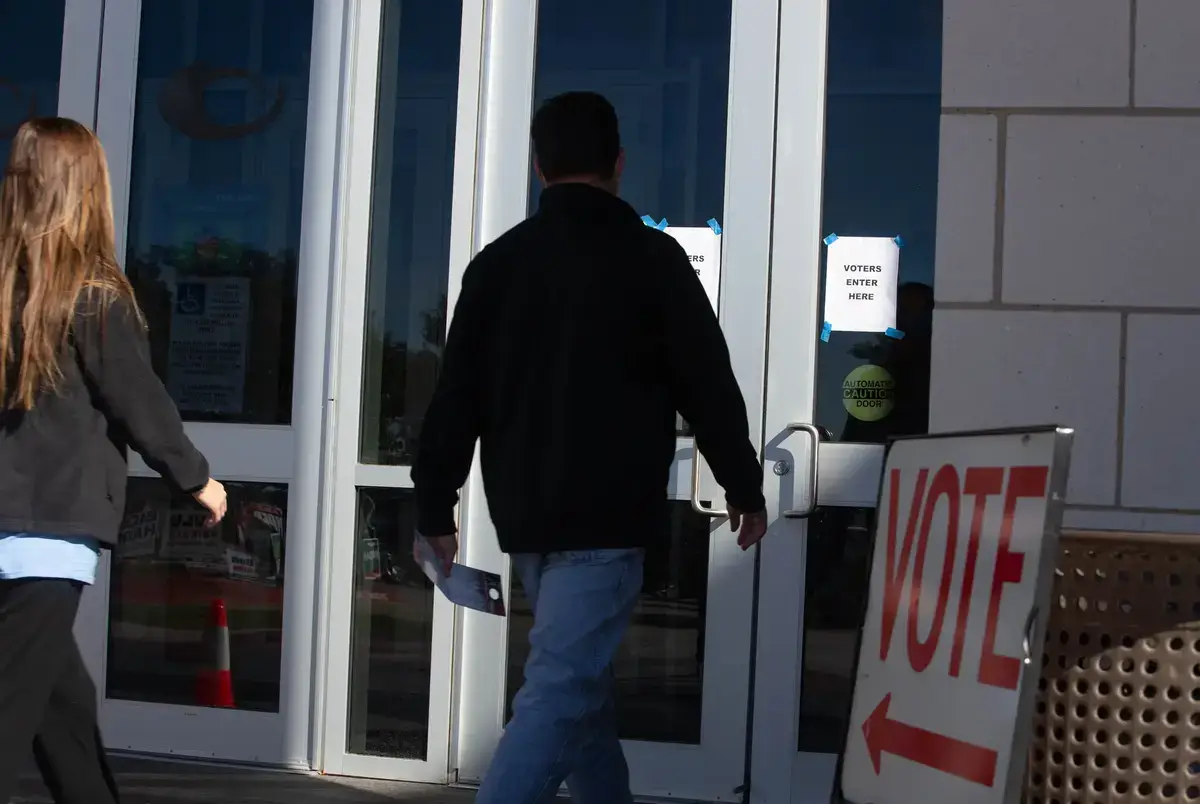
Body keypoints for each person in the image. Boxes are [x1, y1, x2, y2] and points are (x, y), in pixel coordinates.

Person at [413, 91, 769, 804]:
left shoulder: (497, 266)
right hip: (607, 523)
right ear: (619, 164)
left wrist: (434, 507)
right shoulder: (653, 260)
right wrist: (742, 484)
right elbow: (707, 383)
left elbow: (456, 398)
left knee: (582, 692)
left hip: (531, 522)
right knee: (560, 694)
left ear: (539, 168)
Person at [0, 117, 227, 804]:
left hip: (14, 531)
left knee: (59, 703)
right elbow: (139, 401)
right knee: (12, 711)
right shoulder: (92, 294)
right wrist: (198, 478)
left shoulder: (12, 287)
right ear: (87, 189)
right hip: (48, 533)